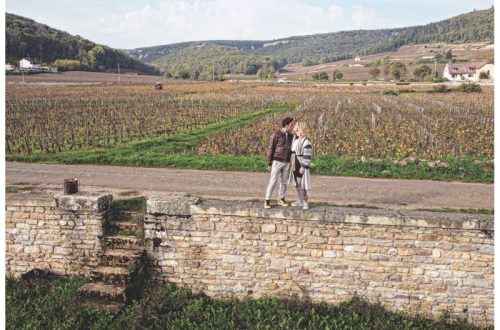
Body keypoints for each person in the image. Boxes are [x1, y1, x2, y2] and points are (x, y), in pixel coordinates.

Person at [264, 117, 295, 209]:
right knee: (273, 180)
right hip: (277, 161)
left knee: (284, 181)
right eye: (291, 124)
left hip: (286, 161)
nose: (293, 126)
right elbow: (271, 148)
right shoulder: (276, 134)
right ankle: (267, 200)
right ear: (286, 125)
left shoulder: (291, 136)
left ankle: (281, 198)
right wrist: (269, 163)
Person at [288, 121, 313, 210]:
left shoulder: (306, 142)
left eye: (297, 125)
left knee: (302, 184)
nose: (295, 126)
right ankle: (300, 200)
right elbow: (291, 132)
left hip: (300, 163)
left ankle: (305, 201)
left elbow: (307, 156)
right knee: (296, 183)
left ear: (301, 128)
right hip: (295, 163)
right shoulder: (296, 139)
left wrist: (303, 166)